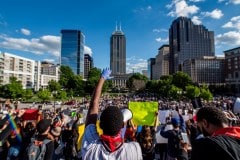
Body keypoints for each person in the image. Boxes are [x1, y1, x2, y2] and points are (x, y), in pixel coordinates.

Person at [81, 68, 142, 160]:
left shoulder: (90, 146)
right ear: (122, 125)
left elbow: (93, 106)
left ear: (100, 125)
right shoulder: (134, 149)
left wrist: (102, 78)